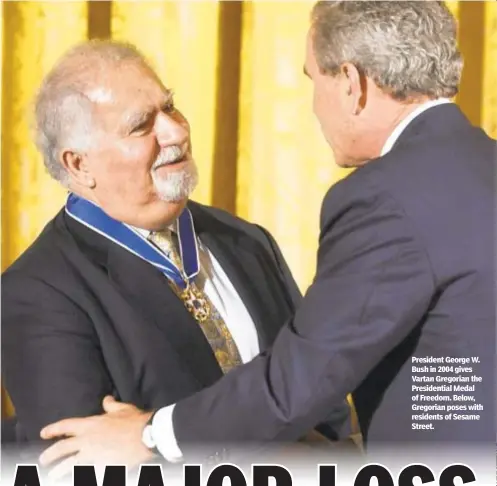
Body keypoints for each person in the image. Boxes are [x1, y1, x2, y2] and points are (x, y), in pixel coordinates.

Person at [39, 0, 495, 474]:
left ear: (353, 85)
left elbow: (302, 378)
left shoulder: (382, 197)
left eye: (313, 80)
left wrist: (152, 435)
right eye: (141, 124)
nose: (314, 105)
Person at [1, 40, 350, 463]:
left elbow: (324, 402)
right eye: (141, 125)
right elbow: (81, 467)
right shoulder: (38, 294)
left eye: (170, 107)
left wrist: (148, 437)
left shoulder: (246, 241)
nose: (176, 131)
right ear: (79, 165)